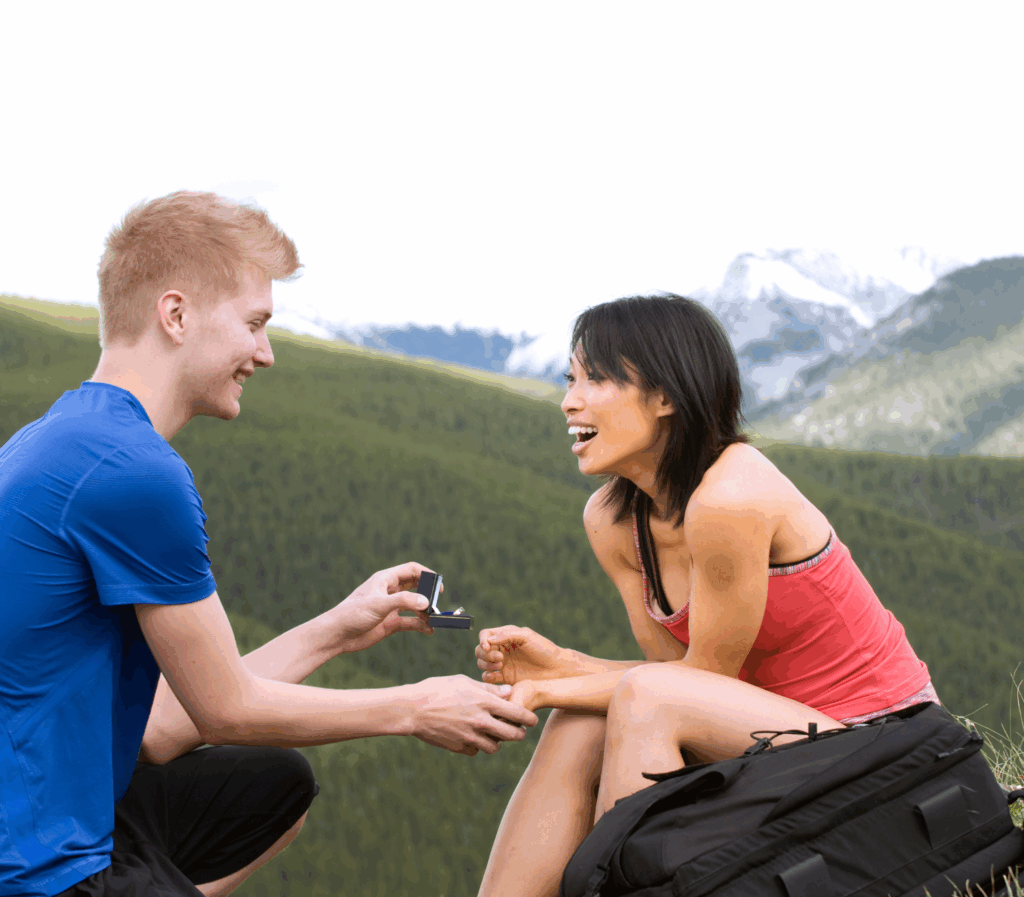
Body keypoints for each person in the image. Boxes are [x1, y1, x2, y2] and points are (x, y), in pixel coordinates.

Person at [0, 191, 537, 897]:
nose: (267, 352)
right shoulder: (133, 472)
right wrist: (416, 706)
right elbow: (226, 712)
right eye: (254, 323)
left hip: (65, 802)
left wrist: (336, 631)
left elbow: (166, 727)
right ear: (176, 314)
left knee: (275, 784)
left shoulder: (61, 437)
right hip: (38, 862)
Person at [473, 294, 936, 897]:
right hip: (772, 732)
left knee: (641, 698)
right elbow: (682, 678)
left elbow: (691, 686)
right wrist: (562, 670)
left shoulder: (730, 496)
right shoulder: (614, 522)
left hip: (882, 737)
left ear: (666, 397)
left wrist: (553, 678)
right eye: (571, 379)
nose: (570, 400)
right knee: (579, 721)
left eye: (599, 378)